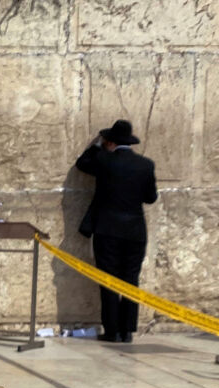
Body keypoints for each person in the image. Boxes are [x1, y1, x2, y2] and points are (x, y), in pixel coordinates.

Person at [74, 119, 158, 343]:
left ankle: (111, 330)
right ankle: (127, 330)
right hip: (135, 231)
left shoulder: (104, 160)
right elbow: (151, 198)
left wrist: (97, 145)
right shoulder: (146, 165)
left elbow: (81, 164)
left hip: (107, 229)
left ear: (110, 141)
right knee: (131, 278)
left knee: (108, 278)